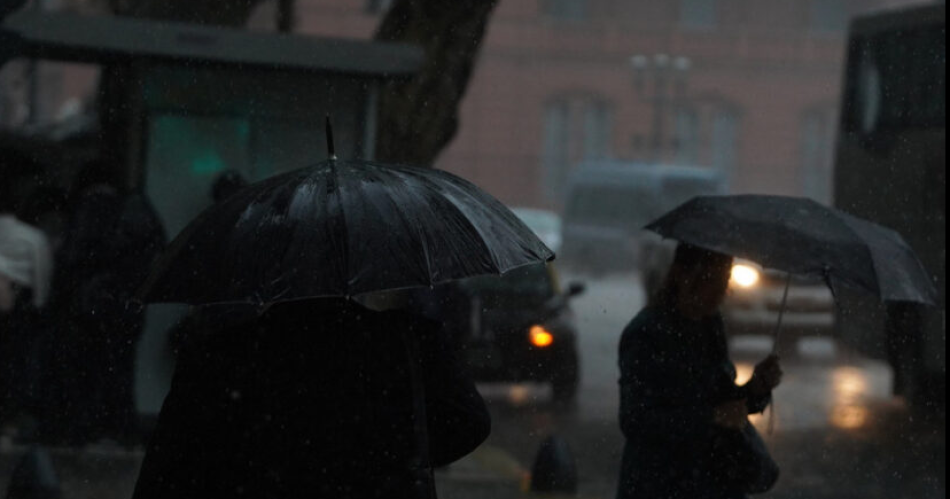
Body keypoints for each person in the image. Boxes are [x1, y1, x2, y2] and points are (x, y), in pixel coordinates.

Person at [132, 298, 491, 499]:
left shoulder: (224, 353)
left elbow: (167, 473)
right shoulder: (405, 341)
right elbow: (469, 422)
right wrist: (392, 456)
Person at [616, 244, 784, 499]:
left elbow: (724, 399)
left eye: (725, 281)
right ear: (683, 275)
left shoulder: (711, 326)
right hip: (661, 483)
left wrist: (756, 388)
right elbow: (636, 419)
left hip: (713, 480)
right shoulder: (647, 333)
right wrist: (711, 417)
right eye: (711, 280)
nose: (720, 293)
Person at [48, 160, 166, 444]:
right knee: (121, 373)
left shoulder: (90, 210)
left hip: (91, 306)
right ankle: (121, 431)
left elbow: (72, 258)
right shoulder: (138, 209)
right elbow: (156, 253)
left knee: (86, 373)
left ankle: (84, 431)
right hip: (127, 307)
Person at [0, 213, 52, 430]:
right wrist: (39, 302)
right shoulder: (32, 236)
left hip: (12, 299)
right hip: (17, 303)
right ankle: (10, 414)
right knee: (14, 362)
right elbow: (42, 273)